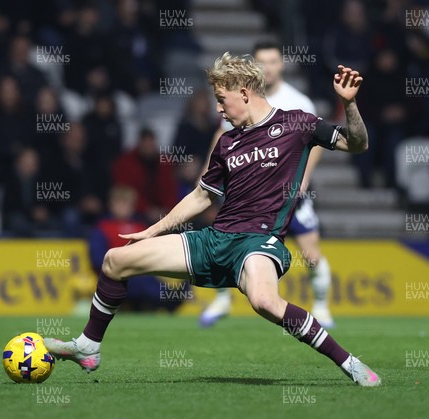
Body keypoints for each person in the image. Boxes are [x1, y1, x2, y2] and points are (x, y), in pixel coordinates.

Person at [45, 52, 381, 386]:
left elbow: (357, 144)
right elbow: (202, 195)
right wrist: (154, 229)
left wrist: (349, 105)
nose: (218, 109)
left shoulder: (298, 123)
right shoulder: (227, 142)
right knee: (114, 260)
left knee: (264, 301)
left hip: (259, 241)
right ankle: (89, 346)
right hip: (216, 239)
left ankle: (349, 363)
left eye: (222, 99)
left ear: (244, 92)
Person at [200, 41, 335, 329]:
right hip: (248, 191)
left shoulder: (298, 101)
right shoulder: (238, 100)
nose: (268, 67)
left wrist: (304, 178)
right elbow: (222, 136)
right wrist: (206, 175)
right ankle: (223, 298)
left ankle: (322, 307)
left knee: (311, 254)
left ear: (282, 64)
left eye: (273, 61)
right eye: (262, 62)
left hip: (288, 192)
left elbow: (319, 140)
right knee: (225, 240)